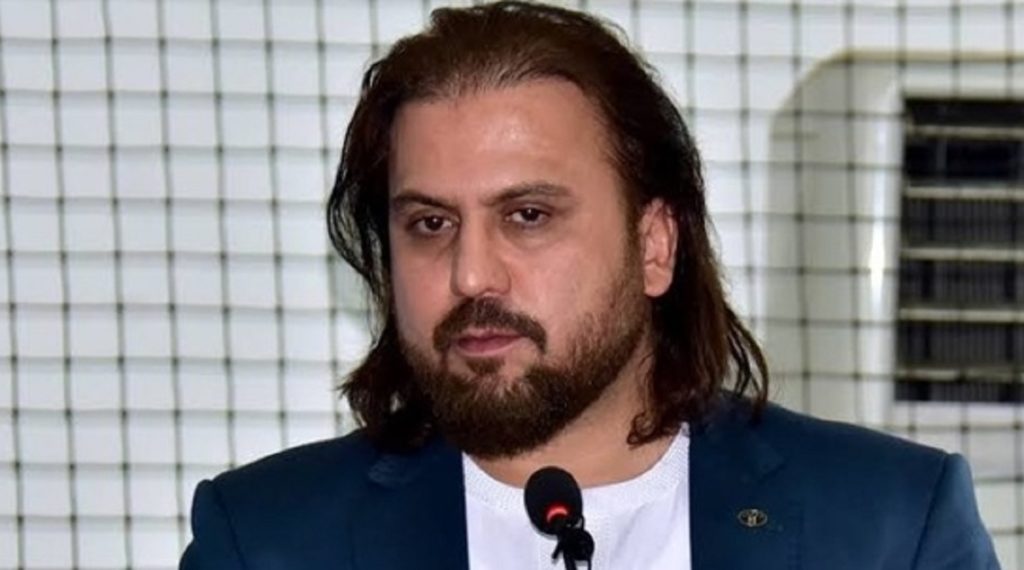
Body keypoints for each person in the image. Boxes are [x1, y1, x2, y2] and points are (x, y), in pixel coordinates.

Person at [180, 2, 999, 568]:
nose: (471, 273)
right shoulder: (269, 539)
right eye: (430, 223)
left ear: (654, 246)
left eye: (528, 215)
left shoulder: (890, 525)